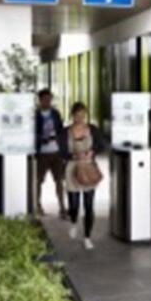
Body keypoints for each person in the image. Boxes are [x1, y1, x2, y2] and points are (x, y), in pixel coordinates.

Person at [62, 102, 105, 250]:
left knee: (89, 205)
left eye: (82, 115)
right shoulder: (66, 132)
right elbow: (62, 151)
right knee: (73, 204)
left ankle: (87, 237)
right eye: (77, 115)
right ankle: (74, 221)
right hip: (72, 168)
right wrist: (74, 155)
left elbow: (101, 145)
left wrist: (92, 152)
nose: (80, 118)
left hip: (88, 168)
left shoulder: (93, 129)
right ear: (72, 116)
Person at [35, 89, 67, 218]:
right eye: (44, 99)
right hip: (42, 153)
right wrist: (41, 139)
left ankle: (62, 206)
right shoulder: (35, 115)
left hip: (56, 151)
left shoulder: (55, 113)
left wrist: (62, 147)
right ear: (40, 100)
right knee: (38, 181)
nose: (47, 102)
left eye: (49, 99)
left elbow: (61, 131)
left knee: (59, 180)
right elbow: (33, 133)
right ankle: (38, 205)